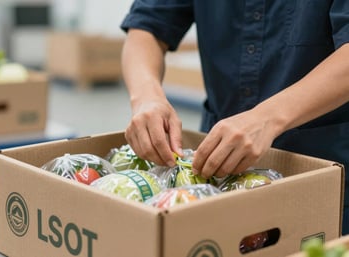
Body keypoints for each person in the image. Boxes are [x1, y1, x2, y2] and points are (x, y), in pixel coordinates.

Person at [120, 1, 349, 234]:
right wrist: (147, 97)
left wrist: (268, 117)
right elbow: (146, 25)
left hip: (322, 170)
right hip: (215, 168)